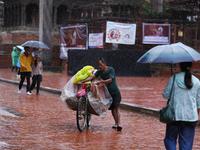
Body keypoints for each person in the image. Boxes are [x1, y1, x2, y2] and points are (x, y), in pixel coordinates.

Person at [162, 62, 200, 150]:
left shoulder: (173, 78)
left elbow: (165, 95)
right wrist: (197, 116)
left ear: (179, 66)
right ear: (191, 66)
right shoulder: (197, 81)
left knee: (170, 139)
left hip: (175, 116)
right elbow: (199, 102)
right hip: (191, 117)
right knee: (186, 145)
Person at [78, 57, 122, 131]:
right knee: (113, 109)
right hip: (108, 94)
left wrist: (101, 82)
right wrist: (82, 81)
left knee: (116, 107)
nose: (100, 67)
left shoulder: (111, 70)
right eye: (98, 65)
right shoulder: (99, 72)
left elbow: (110, 80)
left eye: (101, 65)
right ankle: (116, 123)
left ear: (105, 64)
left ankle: (118, 124)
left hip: (115, 92)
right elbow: (91, 76)